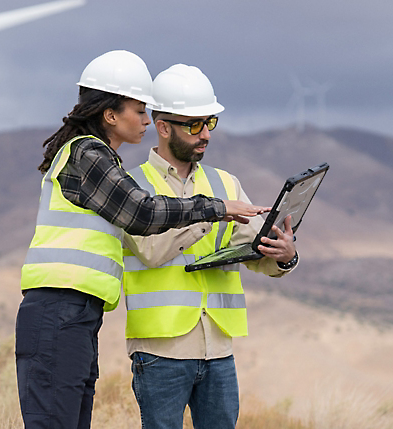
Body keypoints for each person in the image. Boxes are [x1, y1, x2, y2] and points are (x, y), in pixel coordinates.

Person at [15, 51, 269, 429]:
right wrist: (214, 208)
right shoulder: (88, 155)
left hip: (77, 311)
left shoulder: (98, 159)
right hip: (59, 309)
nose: (147, 120)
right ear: (110, 114)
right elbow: (143, 214)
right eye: (139, 110)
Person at [121, 64, 299, 429]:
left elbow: (253, 251)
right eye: (194, 125)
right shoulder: (132, 186)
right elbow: (151, 251)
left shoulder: (225, 182)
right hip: (159, 350)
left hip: (219, 348)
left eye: (210, 124)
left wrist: (284, 256)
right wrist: (213, 213)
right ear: (164, 126)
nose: (205, 134)